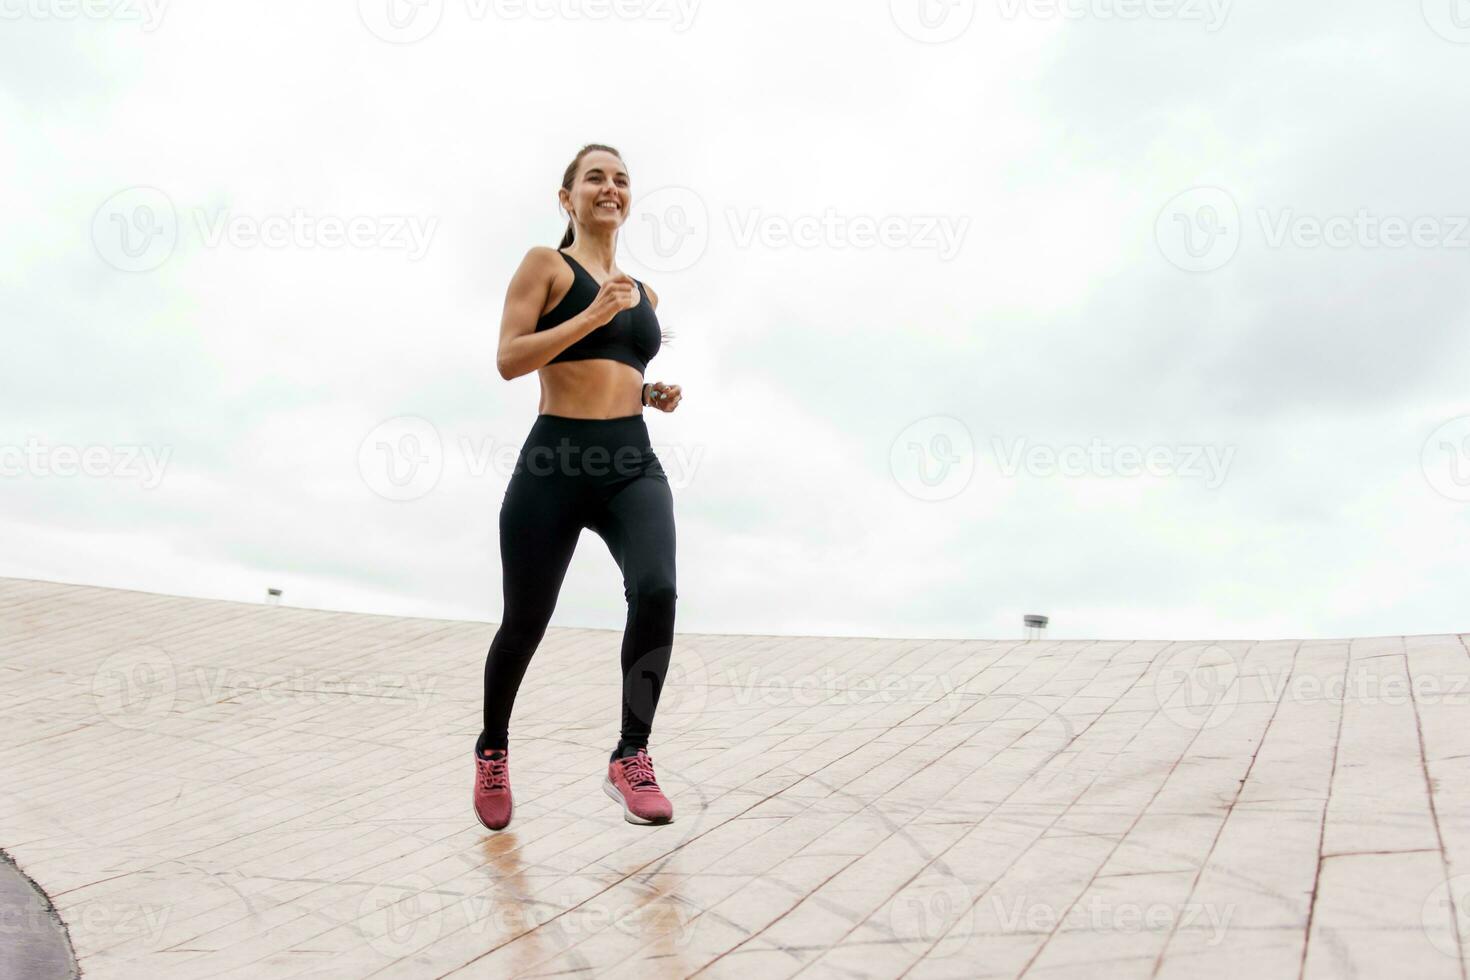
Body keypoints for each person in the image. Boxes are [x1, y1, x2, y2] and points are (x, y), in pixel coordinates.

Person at [473, 143, 685, 831]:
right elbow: (509, 359)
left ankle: (632, 754)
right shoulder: (545, 265)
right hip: (554, 465)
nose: (610, 187)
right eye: (595, 176)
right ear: (566, 197)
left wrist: (648, 390)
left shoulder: (644, 292)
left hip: (630, 464)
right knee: (525, 623)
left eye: (622, 179)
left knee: (655, 589)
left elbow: (613, 366)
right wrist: (592, 316)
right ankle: (494, 749)